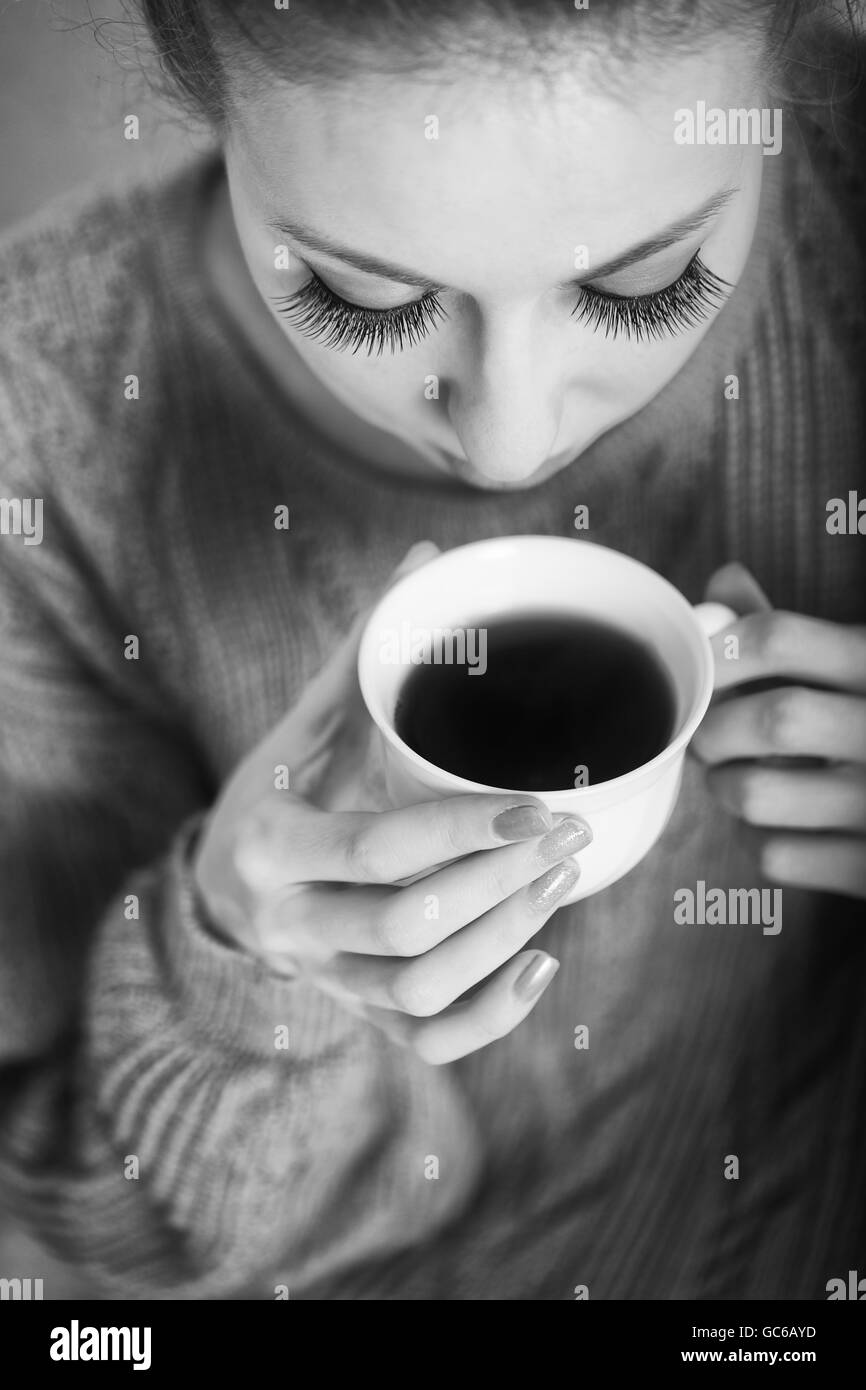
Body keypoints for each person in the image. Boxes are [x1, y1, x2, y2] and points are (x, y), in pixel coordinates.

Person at [0, 0, 864, 1300]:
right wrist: (229, 959)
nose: (508, 446)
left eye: (644, 282)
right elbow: (74, 1244)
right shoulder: (42, 426)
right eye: (363, 296)